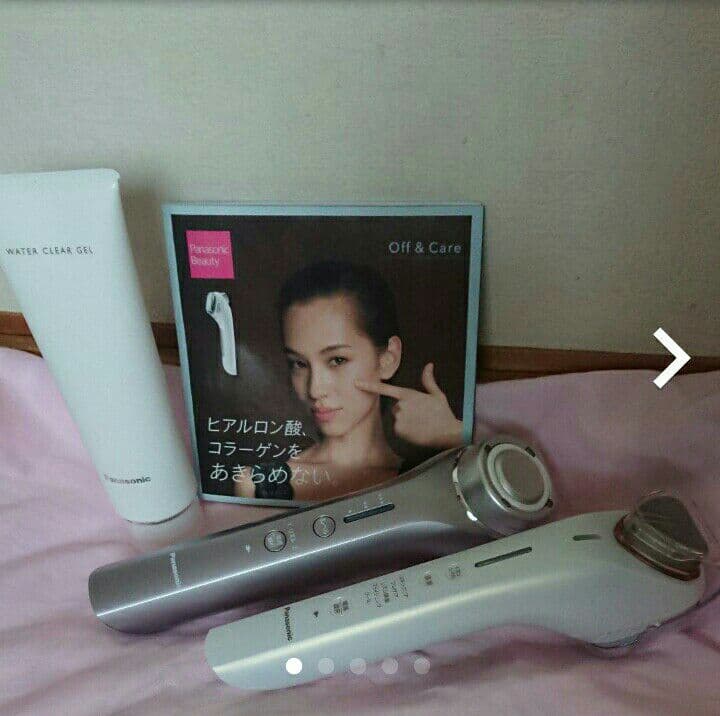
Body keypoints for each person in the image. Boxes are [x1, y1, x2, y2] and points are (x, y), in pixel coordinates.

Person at [234, 260, 463, 501]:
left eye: (337, 360)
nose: (315, 389)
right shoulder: (257, 484)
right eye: (299, 364)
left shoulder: (433, 478)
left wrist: (452, 433)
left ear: (388, 358)